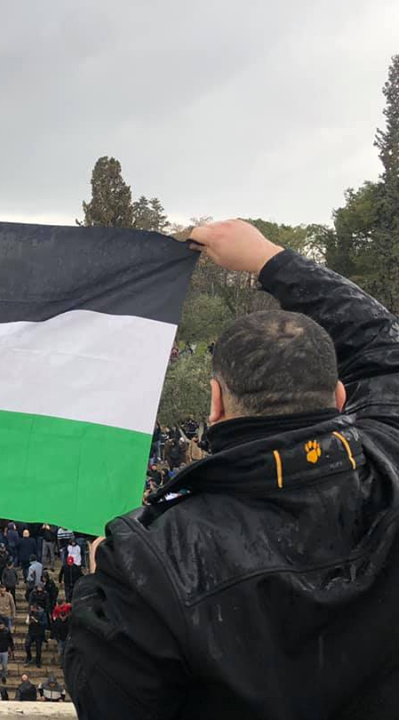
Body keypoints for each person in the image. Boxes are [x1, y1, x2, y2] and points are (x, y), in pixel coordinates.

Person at [65, 220, 399, 719]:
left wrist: (99, 586)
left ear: (215, 402)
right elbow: (382, 348)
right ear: (339, 398)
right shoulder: (389, 460)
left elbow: (108, 701)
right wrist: (268, 257)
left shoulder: (155, 556)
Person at [25, 602, 46, 668]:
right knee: (27, 644)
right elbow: (27, 622)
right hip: (31, 632)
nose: (31, 610)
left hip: (39, 633)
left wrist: (37, 621)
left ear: (35, 609)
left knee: (38, 649)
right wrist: (29, 620)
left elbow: (44, 623)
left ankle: (38, 661)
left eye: (32, 609)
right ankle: (29, 657)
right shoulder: (30, 613)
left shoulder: (42, 614)